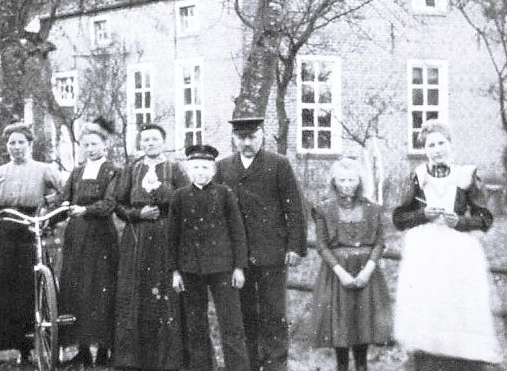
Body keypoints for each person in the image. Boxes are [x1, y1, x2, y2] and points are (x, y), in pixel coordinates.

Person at [392, 119, 502, 371]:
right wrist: (423, 215)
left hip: (459, 250)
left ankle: (461, 360)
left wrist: (461, 222)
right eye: (431, 144)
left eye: (441, 143)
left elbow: (486, 219)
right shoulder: (418, 177)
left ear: (450, 145)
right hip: (425, 250)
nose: (437, 149)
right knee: (430, 302)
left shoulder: (466, 175)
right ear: (425, 149)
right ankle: (430, 360)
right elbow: (398, 218)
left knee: (459, 302)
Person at [214, 117, 307, 371]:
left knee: (274, 312)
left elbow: (295, 207)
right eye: (241, 138)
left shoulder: (279, 164)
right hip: (238, 256)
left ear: (262, 136)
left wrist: (295, 246)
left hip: (272, 252)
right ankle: (251, 364)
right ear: (234, 139)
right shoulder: (223, 167)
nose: (247, 143)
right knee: (245, 313)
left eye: (252, 137)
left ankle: (276, 364)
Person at [113, 124, 191, 371]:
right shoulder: (132, 169)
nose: (150, 144)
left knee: (166, 291)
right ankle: (135, 359)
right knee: (137, 291)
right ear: (140, 144)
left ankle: (168, 359)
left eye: (155, 139)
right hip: (137, 238)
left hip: (166, 235)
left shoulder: (175, 169)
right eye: (145, 140)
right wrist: (138, 213)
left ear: (163, 142)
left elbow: (186, 200)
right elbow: (118, 204)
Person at [0, 122, 62, 362]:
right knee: (5, 287)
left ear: (29, 145)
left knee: (30, 285)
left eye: (21, 143)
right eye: (12, 143)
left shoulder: (44, 169)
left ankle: (38, 342)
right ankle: (18, 348)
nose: (16, 147)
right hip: (6, 227)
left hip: (31, 227)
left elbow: (63, 193)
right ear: (6, 146)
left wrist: (47, 203)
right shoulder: (0, 171)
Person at [168, 144, 249, 371]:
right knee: (196, 326)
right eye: (195, 167)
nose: (200, 172)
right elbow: (172, 237)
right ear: (188, 170)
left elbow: (237, 232)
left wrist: (239, 268)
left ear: (213, 170)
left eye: (205, 167)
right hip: (190, 270)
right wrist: (174, 271)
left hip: (223, 269)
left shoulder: (224, 194)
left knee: (232, 325)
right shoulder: (180, 196)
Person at [311, 157, 392, 371]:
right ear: (334, 182)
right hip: (338, 274)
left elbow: (379, 242)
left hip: (366, 272)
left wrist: (368, 270)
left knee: (362, 324)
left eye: (351, 180)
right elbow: (322, 246)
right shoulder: (323, 209)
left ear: (359, 181)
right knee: (342, 325)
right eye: (342, 180)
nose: (347, 184)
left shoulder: (373, 209)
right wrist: (341, 272)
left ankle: (362, 366)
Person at [58, 121, 120, 366]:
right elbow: (65, 199)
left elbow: (109, 203)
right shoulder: (76, 172)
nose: (90, 149)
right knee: (77, 291)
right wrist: (56, 207)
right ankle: (83, 349)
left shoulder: (112, 171)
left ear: (105, 145)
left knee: (101, 290)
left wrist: (85, 209)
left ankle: (104, 350)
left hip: (101, 237)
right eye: (86, 145)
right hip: (76, 237)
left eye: (95, 144)